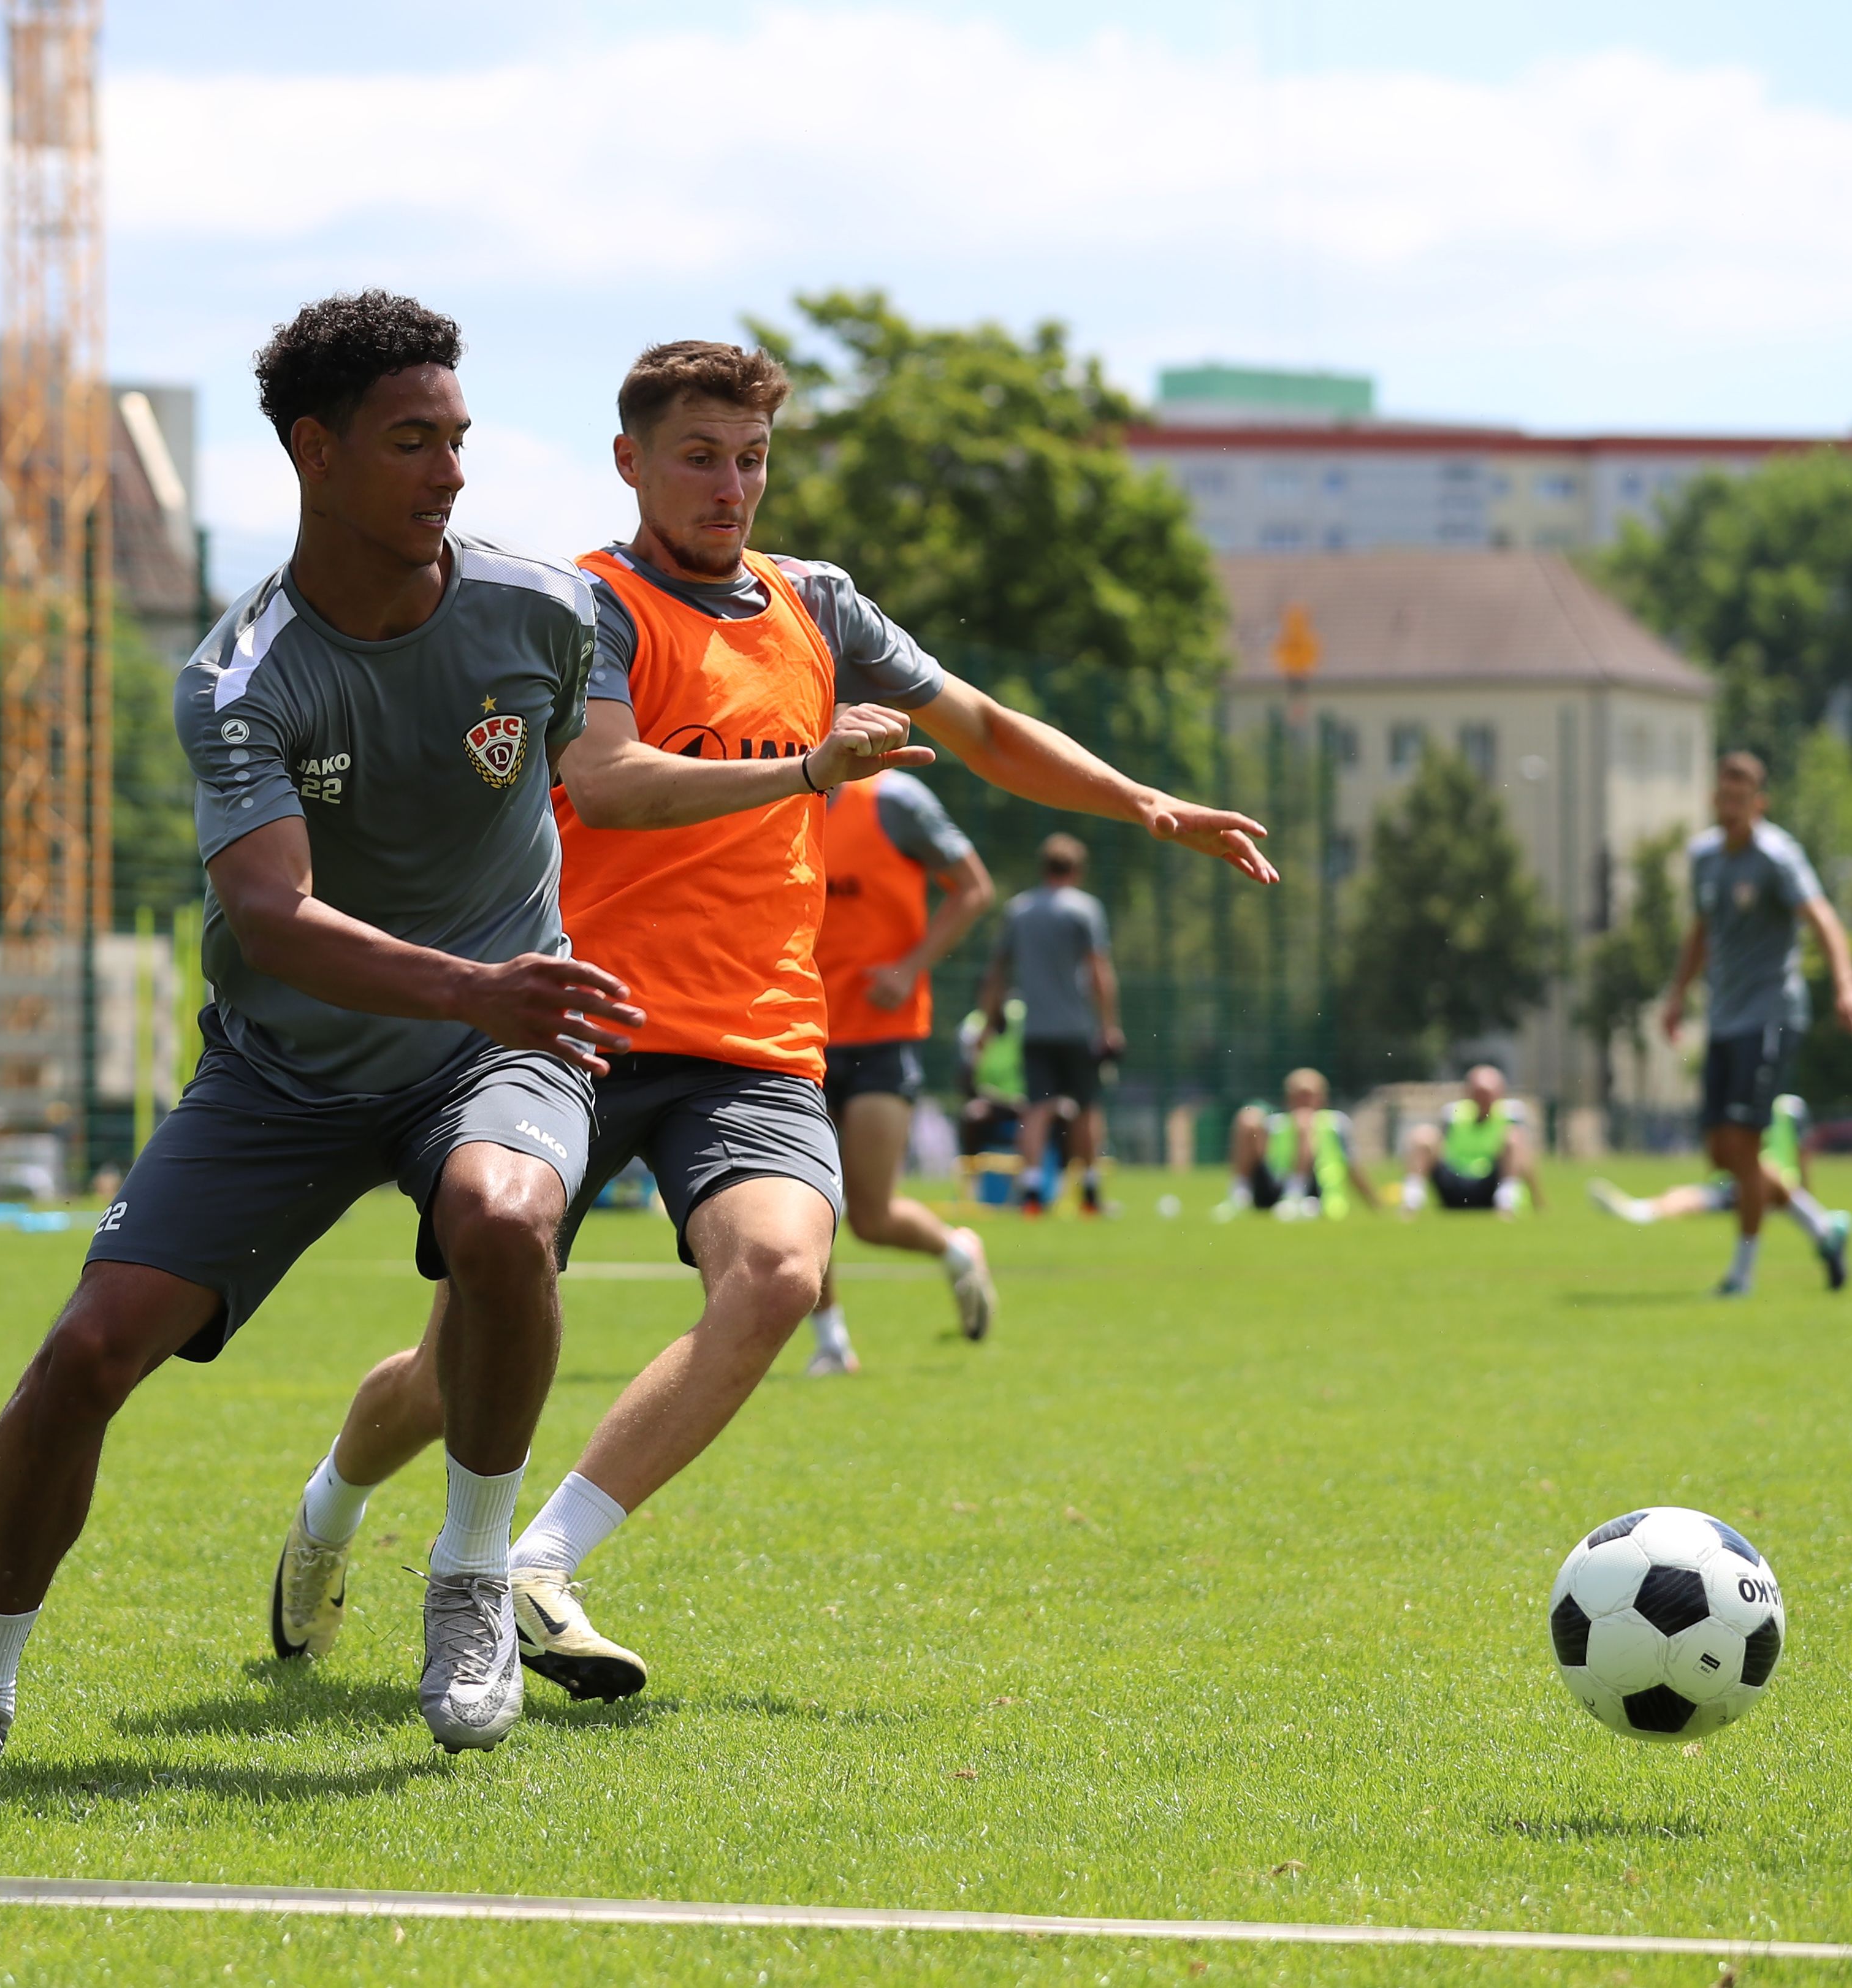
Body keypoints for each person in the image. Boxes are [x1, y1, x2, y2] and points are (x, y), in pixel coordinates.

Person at [275, 338, 1276, 1707]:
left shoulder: (820, 603)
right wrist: (806, 769)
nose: (730, 486)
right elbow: (611, 782)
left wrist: (1142, 801)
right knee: (456, 1372)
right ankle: (330, 1509)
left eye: (750, 459)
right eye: (699, 457)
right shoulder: (586, 606)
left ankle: (536, 1566)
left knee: (782, 1273)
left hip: (752, 1039)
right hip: (575, 1021)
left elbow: (980, 726)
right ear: (630, 462)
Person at [0, 293, 650, 1767]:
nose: (451, 472)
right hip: (285, 1068)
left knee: (503, 1220)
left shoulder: (545, 612)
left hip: (493, 1050)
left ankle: (470, 1580)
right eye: (412, 441)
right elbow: (274, 913)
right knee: (86, 1352)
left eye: (459, 438)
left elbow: (621, 771)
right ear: (315, 451)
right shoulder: (241, 674)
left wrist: (798, 764)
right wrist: (473, 983)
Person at [804, 768, 997, 1371]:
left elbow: (974, 888)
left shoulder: (894, 801)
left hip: (880, 1040)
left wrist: (909, 968)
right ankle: (831, 1343)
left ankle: (956, 1248)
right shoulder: (769, 791)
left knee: (871, 1216)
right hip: (793, 1035)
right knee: (804, 1204)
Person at [1658, 752, 1852, 1296]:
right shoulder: (1703, 857)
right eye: (1723, 798)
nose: (1730, 808)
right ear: (1713, 799)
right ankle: (1822, 1227)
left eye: (1741, 799)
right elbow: (1701, 931)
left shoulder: (1777, 856)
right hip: (1724, 1020)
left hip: (1771, 1015)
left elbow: (1821, 915)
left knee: (1744, 1144)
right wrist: (1677, 995)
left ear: (1759, 803)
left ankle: (1741, 1274)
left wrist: (1847, 983)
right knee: (1720, 1152)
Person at [975, 834, 1119, 1217]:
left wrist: (988, 1021)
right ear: (1077, 870)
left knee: (1036, 1110)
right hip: (1076, 1028)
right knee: (1086, 1108)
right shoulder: (1085, 909)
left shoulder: (1019, 910)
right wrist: (1109, 1024)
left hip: (1035, 1028)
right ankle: (1090, 1192)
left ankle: (1032, 1190)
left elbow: (997, 972)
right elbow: (1099, 970)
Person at [1590, 1096, 1844, 1253]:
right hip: (1738, 1182)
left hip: (1777, 1185)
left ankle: (1825, 1226)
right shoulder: (1748, 1100)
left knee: (1765, 1171)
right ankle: (1638, 1209)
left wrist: (1805, 1193)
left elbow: (1803, 1154)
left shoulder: (1789, 1107)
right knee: (1683, 1195)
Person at [1217, 1068, 1379, 1220]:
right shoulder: (1279, 1123)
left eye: (1308, 1095)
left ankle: (1295, 1194)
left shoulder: (1335, 1122)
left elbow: (1351, 1166)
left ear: (1322, 1098)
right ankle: (1240, 1195)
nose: (1303, 1101)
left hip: (1315, 1191)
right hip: (1274, 1186)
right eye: (1298, 1095)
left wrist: (1373, 1202)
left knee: (1304, 1120)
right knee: (1248, 1118)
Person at [1400, 1064, 1547, 1216]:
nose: (1482, 1099)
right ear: (1468, 1093)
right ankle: (1411, 1202)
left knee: (1514, 1138)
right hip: (1454, 1182)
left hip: (1490, 1184)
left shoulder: (1509, 1117)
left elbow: (1523, 1159)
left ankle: (1507, 1203)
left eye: (1487, 1094)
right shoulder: (1453, 1115)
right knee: (1423, 1136)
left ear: (1499, 1093)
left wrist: (1537, 1197)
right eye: (1478, 1093)